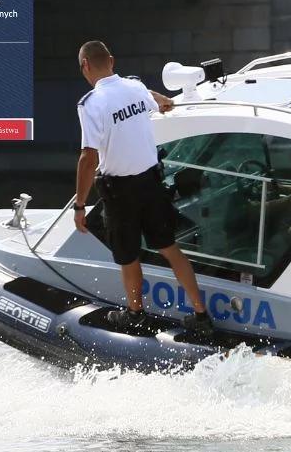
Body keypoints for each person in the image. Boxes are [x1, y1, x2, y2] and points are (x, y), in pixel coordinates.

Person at [73, 40, 213, 334]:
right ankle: (201, 316)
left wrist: (80, 205)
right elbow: (157, 98)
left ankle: (136, 315)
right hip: (151, 184)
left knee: (129, 256)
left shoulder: (91, 104)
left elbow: (88, 158)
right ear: (111, 60)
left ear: (85, 66)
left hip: (120, 193)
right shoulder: (135, 87)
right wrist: (165, 100)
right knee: (170, 249)